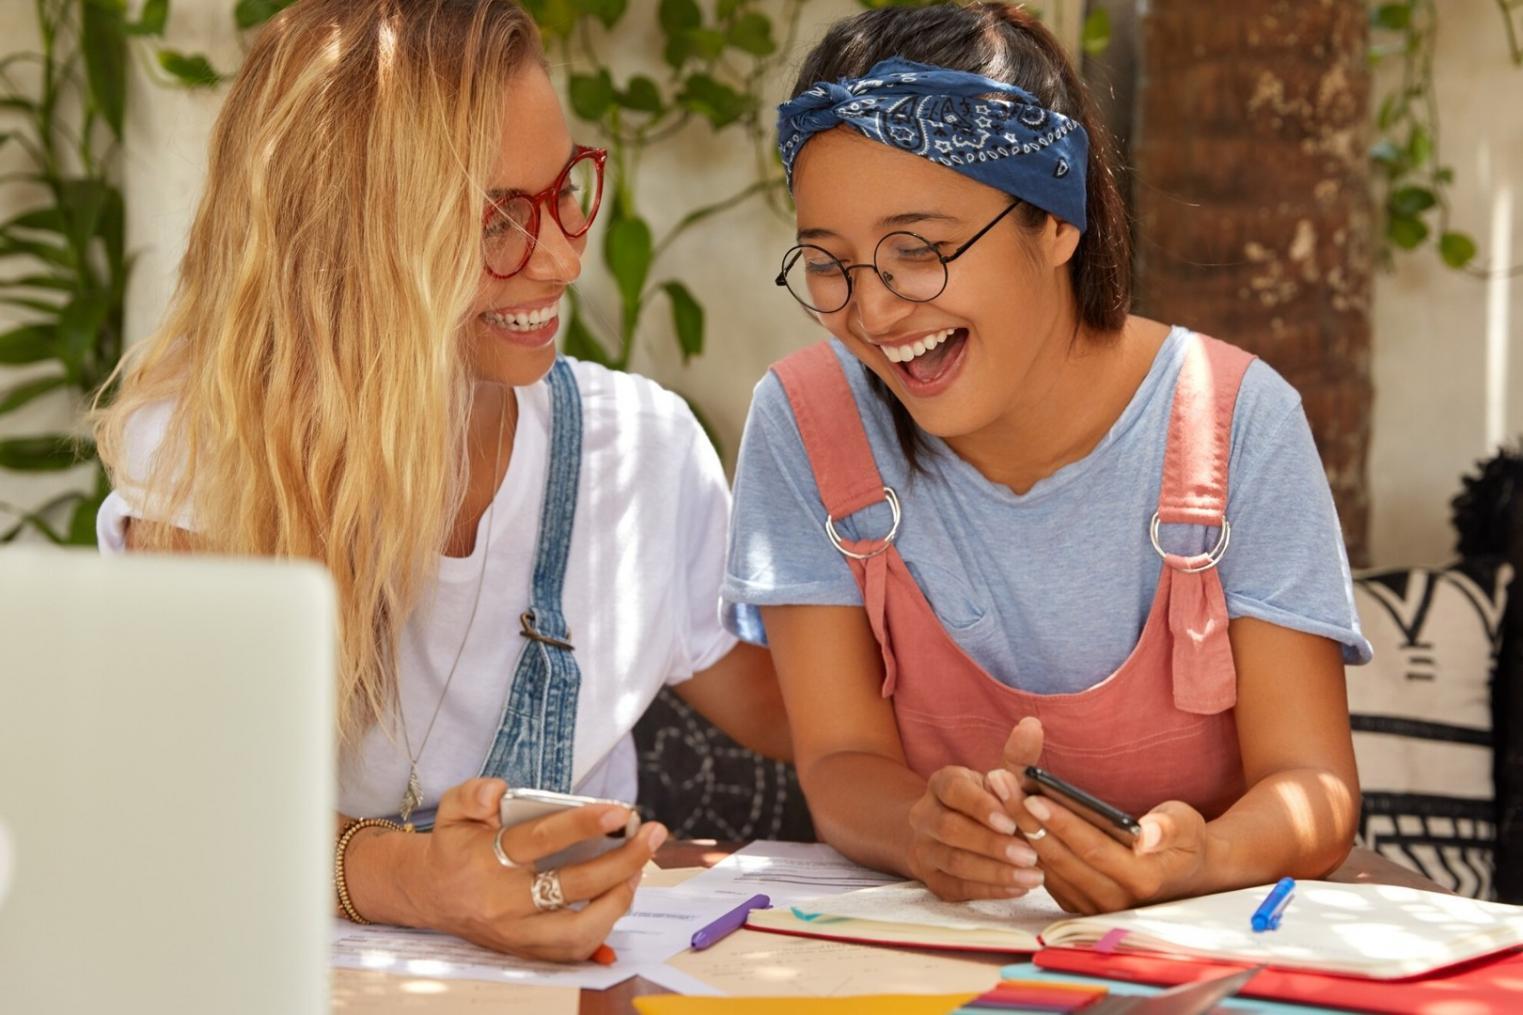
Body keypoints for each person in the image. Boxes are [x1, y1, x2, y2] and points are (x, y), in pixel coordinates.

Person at [94, 0, 787, 961]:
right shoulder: (211, 456)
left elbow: (815, 723)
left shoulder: (640, 452)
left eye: (565, 190)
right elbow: (185, 800)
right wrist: (418, 881)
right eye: (496, 218)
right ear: (342, 241)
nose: (561, 256)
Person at [722, 2, 1369, 914]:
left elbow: (1314, 785)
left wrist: (1199, 857)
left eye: (919, 251)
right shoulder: (806, 421)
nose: (871, 312)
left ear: (1056, 222)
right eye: (828, 263)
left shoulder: (1233, 421)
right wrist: (923, 829)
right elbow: (837, 762)